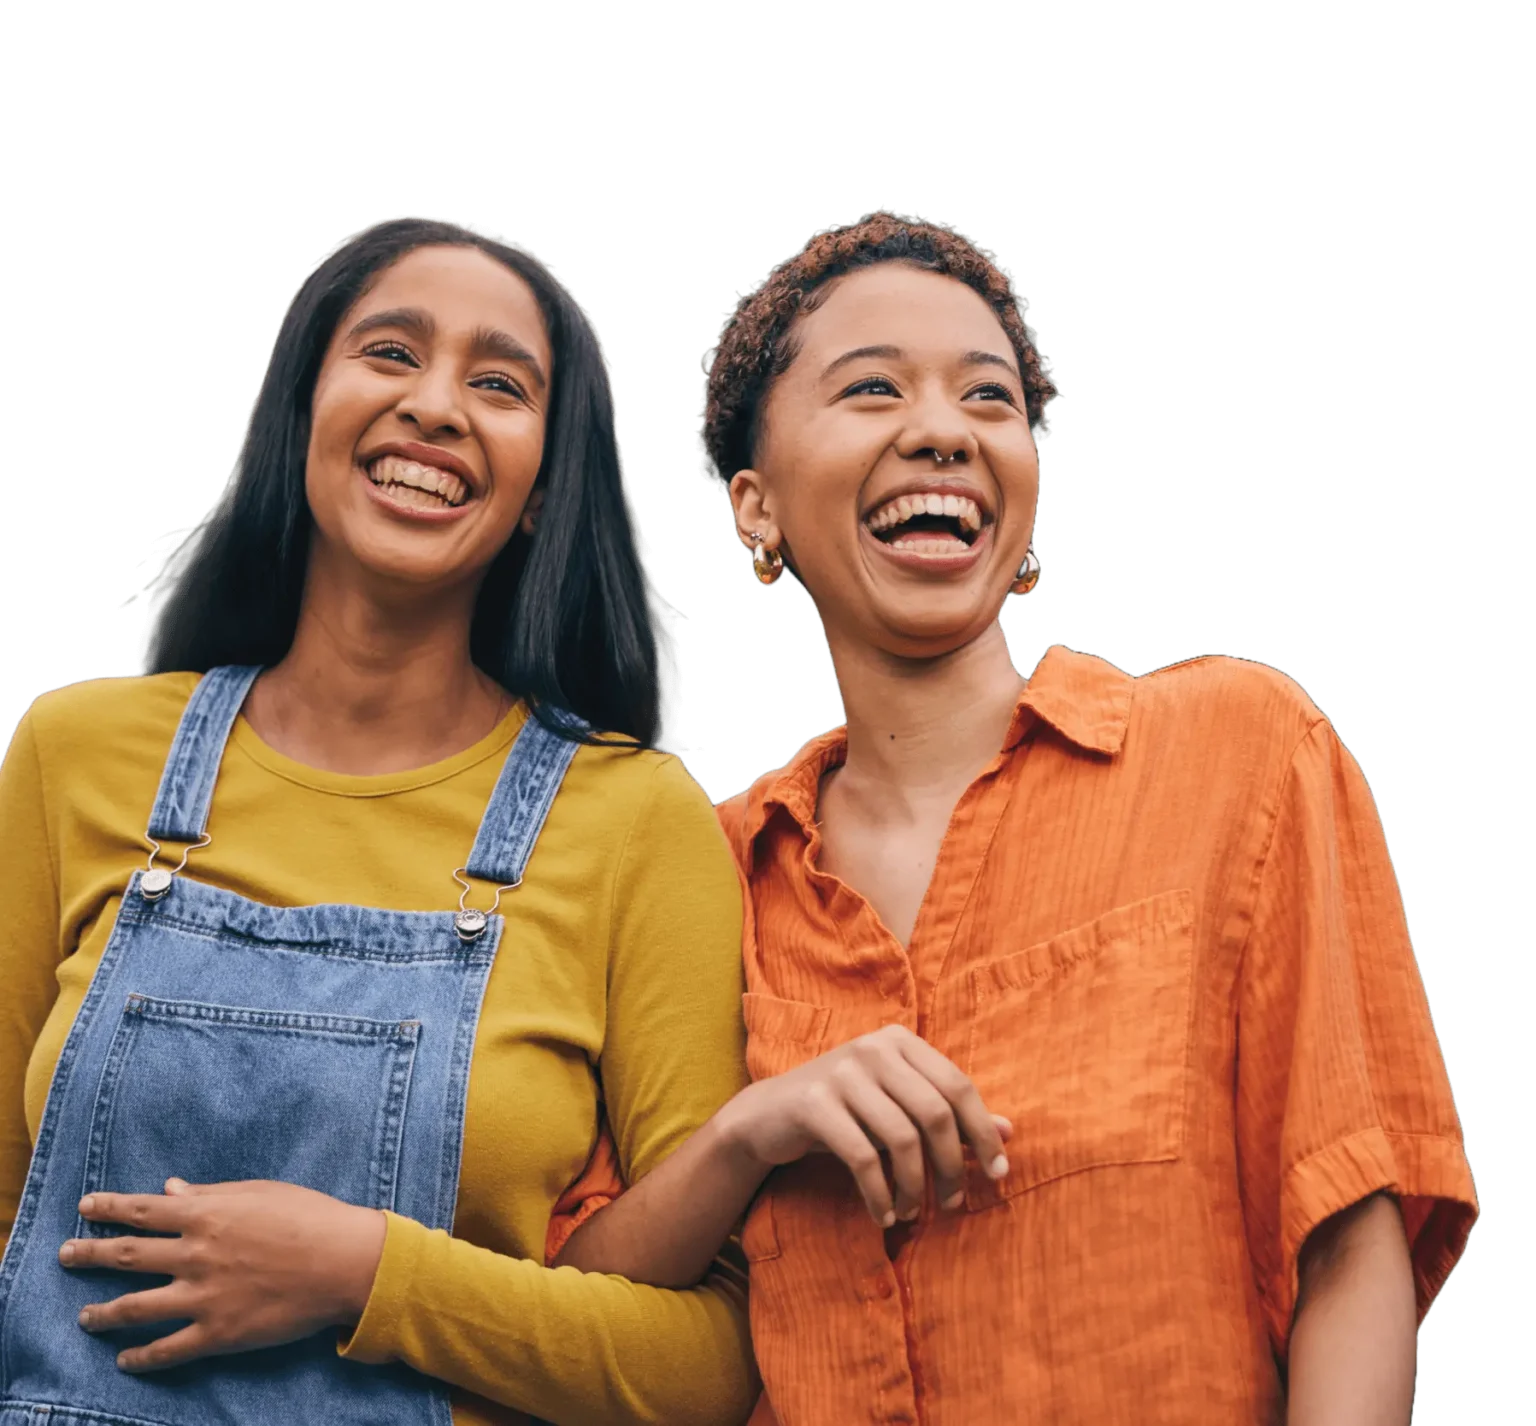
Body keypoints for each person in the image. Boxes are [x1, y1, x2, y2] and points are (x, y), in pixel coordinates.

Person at [550, 213, 1480, 1424]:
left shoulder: (1240, 752)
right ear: (755, 506)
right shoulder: (697, 869)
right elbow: (580, 1297)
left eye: (989, 400)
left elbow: (1350, 1240)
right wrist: (751, 1133)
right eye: (872, 388)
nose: (942, 429)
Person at [0, 218, 758, 1426]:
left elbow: (712, 1364)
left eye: (499, 383)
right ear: (304, 407)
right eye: (391, 353)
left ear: (540, 489)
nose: (439, 407)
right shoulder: (76, 756)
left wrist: (365, 1274)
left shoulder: (633, 821)